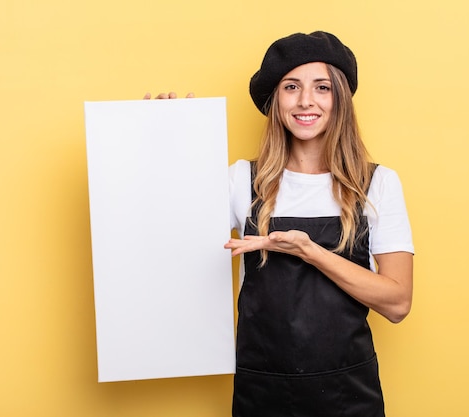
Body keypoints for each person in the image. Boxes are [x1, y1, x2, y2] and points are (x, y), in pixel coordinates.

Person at [147, 31, 413, 417]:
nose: (306, 100)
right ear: (275, 101)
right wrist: (162, 143)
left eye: (322, 87)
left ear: (340, 98)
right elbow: (164, 236)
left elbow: (398, 302)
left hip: (348, 395)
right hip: (262, 393)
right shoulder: (241, 180)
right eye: (292, 87)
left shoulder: (377, 184)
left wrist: (310, 251)